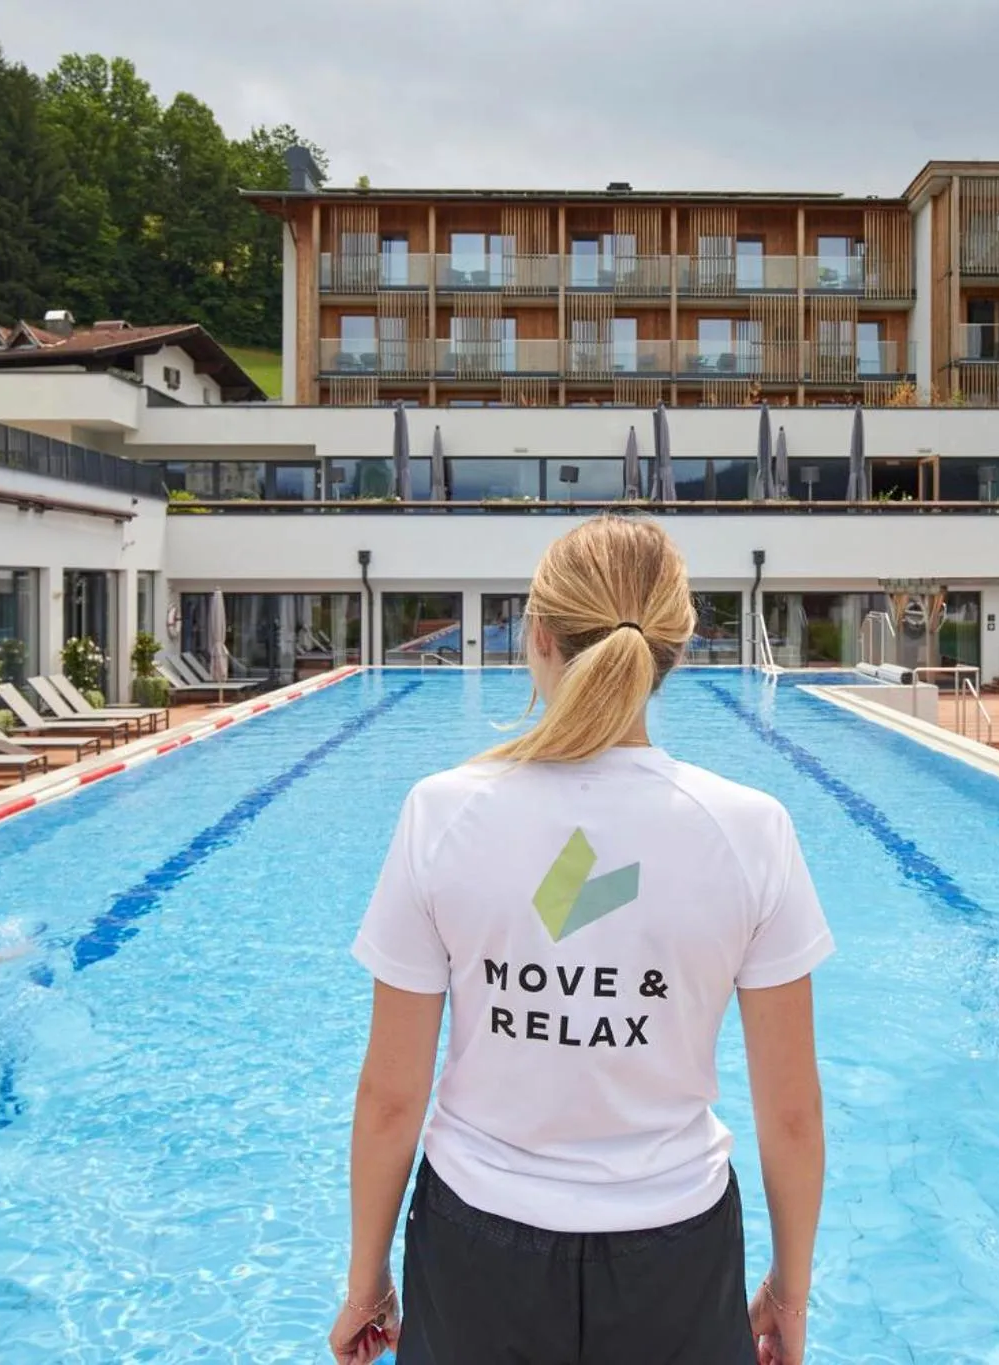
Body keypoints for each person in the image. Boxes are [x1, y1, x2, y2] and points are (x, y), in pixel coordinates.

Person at [329, 516, 832, 1365]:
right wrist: (790, 1289)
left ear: (539, 637)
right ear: (680, 644)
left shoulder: (443, 814)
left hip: (474, 1248)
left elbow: (389, 1097)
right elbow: (791, 1110)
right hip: (678, 1249)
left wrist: (366, 1281)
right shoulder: (751, 830)